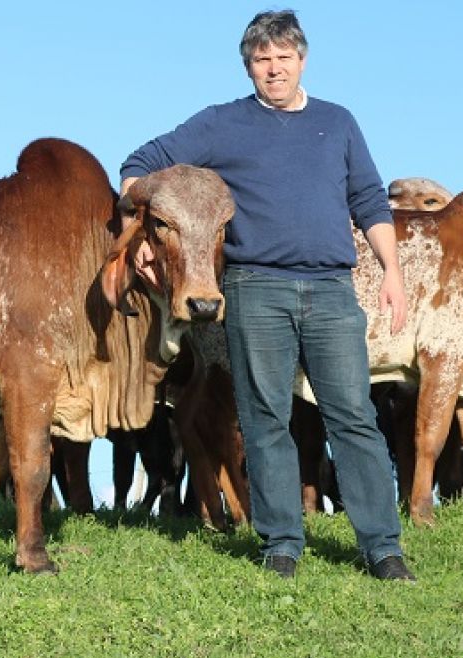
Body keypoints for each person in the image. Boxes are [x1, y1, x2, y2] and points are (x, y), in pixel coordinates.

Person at [119, 9, 414, 581]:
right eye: (261, 61)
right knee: (263, 418)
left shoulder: (339, 122)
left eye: (283, 58)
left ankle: (383, 546)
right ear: (248, 67)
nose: (273, 69)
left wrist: (393, 272)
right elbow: (140, 164)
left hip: (332, 288)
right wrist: (144, 224)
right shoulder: (221, 124)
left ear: (302, 60)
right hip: (255, 288)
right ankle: (282, 542)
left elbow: (371, 200)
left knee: (353, 415)